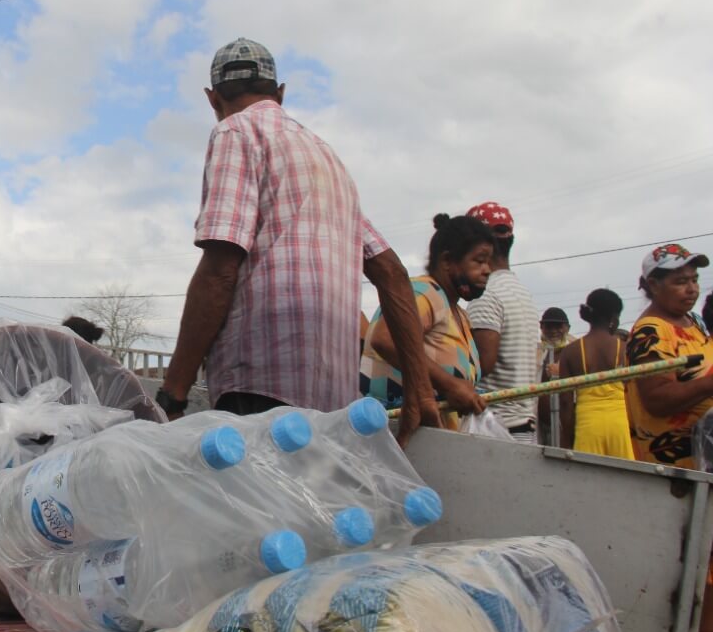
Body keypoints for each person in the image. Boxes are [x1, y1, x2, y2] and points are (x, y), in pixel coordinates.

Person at [159, 38, 440, 441]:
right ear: (280, 93)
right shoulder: (326, 157)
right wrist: (420, 389)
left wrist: (174, 392)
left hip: (258, 388)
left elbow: (221, 269)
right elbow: (392, 273)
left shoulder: (234, 132)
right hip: (334, 409)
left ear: (212, 98)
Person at [624, 243, 713, 632]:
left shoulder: (692, 324)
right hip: (675, 458)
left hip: (702, 454)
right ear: (651, 285)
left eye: (693, 279)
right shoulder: (651, 331)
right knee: (692, 550)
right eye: (679, 281)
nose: (690, 288)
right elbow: (658, 398)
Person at [361, 214, 493, 429]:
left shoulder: (459, 314)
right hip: (404, 439)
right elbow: (386, 339)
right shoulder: (424, 292)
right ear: (447, 261)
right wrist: (450, 384)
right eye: (479, 261)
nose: (487, 270)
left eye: (489, 262)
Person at [464, 201, 541, 443]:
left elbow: (482, 365)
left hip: (498, 428)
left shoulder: (487, 294)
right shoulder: (521, 292)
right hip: (522, 425)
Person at [556, 289, 632, 459]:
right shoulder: (624, 349)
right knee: (624, 480)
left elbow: (566, 403)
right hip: (619, 425)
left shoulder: (570, 351)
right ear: (614, 318)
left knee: (587, 480)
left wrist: (566, 441)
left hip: (588, 427)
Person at [539, 307, 574, 377]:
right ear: (541, 327)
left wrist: (562, 373)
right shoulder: (535, 352)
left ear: (568, 328)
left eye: (558, 326)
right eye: (549, 326)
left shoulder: (575, 350)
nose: (553, 331)